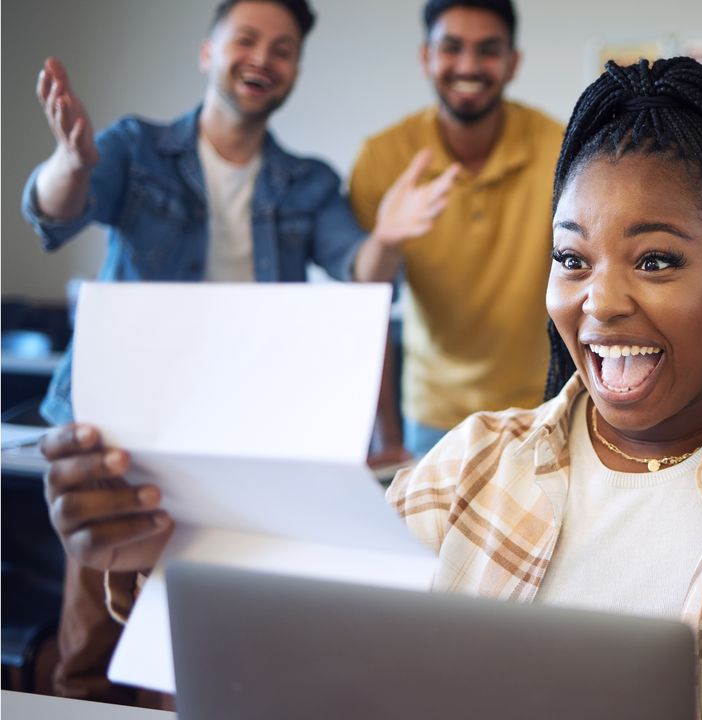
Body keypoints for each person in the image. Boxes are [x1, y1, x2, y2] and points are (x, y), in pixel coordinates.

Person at [40, 58, 702, 717]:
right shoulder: (474, 463)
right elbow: (291, 653)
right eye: (572, 258)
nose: (601, 303)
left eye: (655, 260)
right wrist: (139, 559)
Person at [22, 0, 449, 702]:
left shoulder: (307, 181)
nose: (263, 58)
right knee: (90, 651)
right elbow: (56, 210)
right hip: (119, 432)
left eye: (282, 49)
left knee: (198, 647)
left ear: (295, 71)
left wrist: (391, 237)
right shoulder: (135, 147)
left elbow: (358, 272)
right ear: (207, 51)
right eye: (246, 39)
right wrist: (68, 163)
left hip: (241, 442)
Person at [348, 0, 565, 461]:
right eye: (452, 48)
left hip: (542, 406)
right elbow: (367, 301)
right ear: (426, 57)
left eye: (487, 50)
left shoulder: (560, 147)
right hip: (431, 415)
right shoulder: (383, 157)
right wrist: (387, 439)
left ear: (512, 63)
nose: (468, 65)